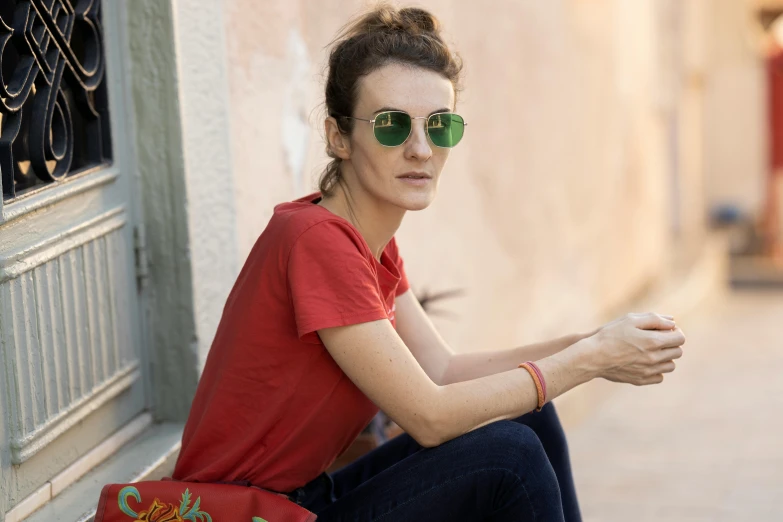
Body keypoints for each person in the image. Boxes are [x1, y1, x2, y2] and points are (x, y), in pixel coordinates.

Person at [172, 4, 686, 521]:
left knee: (532, 419)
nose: (421, 149)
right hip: (242, 514)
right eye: (393, 125)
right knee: (510, 454)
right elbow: (430, 416)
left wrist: (592, 345)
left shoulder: (368, 243)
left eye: (439, 126)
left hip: (306, 500)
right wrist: (588, 360)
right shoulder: (315, 241)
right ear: (337, 137)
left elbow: (443, 371)